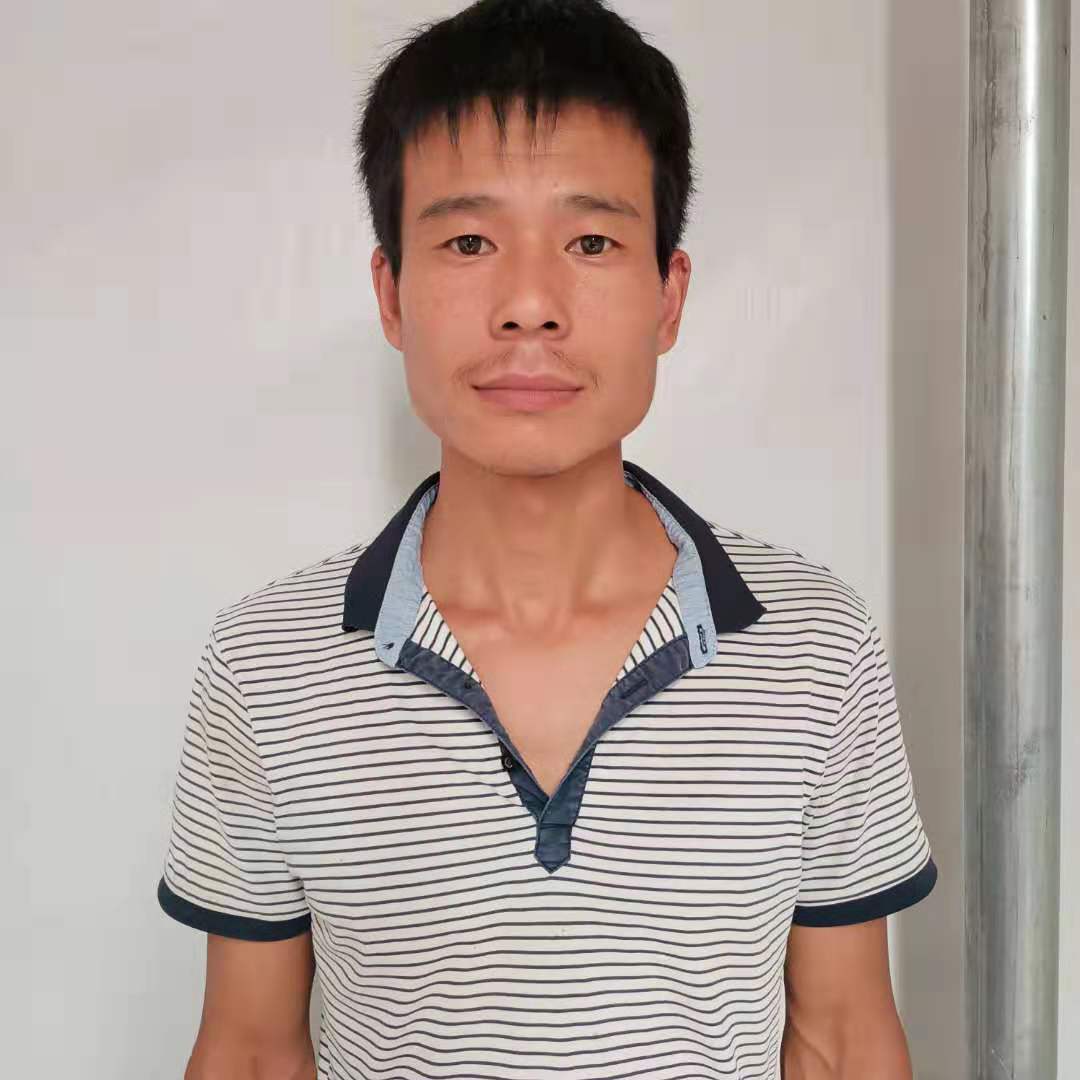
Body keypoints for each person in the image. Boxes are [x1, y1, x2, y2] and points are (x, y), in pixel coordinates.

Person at [155, 1, 938, 1076]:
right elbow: (250, 1051)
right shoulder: (267, 665)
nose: (530, 304)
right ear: (392, 294)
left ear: (669, 296)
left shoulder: (814, 648)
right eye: (469, 241)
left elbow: (842, 1040)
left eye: (592, 241)